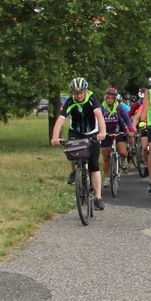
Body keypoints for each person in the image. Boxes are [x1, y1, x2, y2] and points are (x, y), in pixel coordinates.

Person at [51, 76, 107, 211]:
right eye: (76, 93)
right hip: (76, 132)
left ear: (86, 91)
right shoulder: (70, 102)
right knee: (72, 151)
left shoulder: (92, 98)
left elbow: (99, 116)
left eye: (82, 92)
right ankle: (74, 171)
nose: (79, 96)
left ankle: (98, 197)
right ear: (72, 93)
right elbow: (60, 119)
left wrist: (102, 132)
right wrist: (54, 137)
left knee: (94, 165)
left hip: (92, 133)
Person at [100, 87, 136, 186]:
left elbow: (127, 119)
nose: (110, 100)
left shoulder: (119, 107)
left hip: (118, 132)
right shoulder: (101, 108)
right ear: (105, 98)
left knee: (122, 152)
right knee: (106, 157)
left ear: (115, 99)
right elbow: (96, 121)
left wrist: (131, 129)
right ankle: (107, 177)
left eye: (112, 98)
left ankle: (124, 159)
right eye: (108, 98)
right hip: (106, 133)